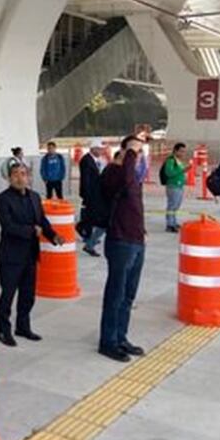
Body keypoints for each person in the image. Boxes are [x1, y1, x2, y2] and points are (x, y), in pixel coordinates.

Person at [0, 163, 63, 347]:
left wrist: (53, 235)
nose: (19, 177)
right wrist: (32, 230)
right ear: (9, 178)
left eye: (23, 174)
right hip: (10, 256)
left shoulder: (34, 196)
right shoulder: (2, 199)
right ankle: (4, 330)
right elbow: (8, 226)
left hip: (30, 254)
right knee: (8, 294)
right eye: (15, 174)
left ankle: (23, 327)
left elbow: (42, 220)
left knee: (28, 295)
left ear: (29, 177)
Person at [98, 136, 146, 362]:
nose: (138, 157)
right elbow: (125, 182)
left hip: (136, 241)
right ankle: (108, 341)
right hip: (120, 241)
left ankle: (120, 337)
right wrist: (131, 154)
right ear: (124, 153)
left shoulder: (132, 175)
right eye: (134, 152)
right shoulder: (113, 173)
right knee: (115, 294)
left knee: (128, 295)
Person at [77, 139, 108, 257]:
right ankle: (86, 235)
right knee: (93, 218)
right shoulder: (86, 161)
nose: (101, 151)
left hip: (95, 195)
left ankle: (89, 238)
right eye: (99, 149)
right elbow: (86, 180)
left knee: (91, 218)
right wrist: (88, 196)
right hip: (91, 195)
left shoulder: (96, 160)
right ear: (93, 149)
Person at [160, 142, 190, 233]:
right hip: (173, 185)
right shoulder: (171, 160)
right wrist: (183, 170)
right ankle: (170, 224)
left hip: (179, 184)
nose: (182, 153)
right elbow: (169, 173)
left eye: (184, 151)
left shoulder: (178, 160)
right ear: (175, 151)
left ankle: (173, 222)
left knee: (176, 205)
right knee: (172, 205)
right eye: (181, 151)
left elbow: (179, 172)